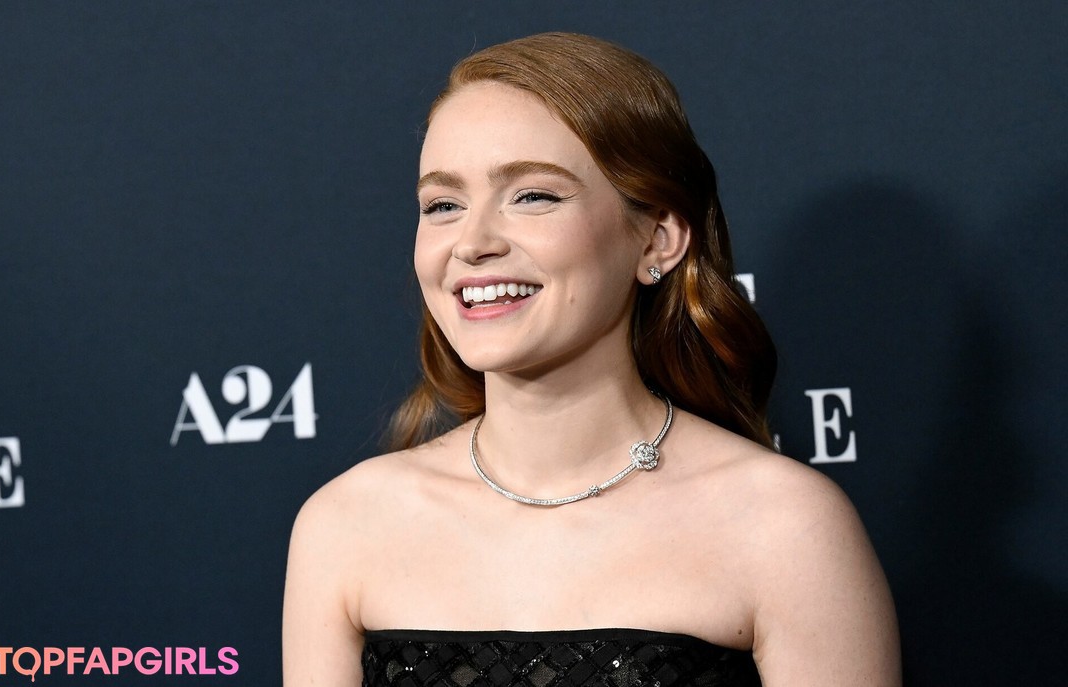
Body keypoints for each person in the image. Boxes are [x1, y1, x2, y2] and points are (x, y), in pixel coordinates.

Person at [283, 32, 900, 686]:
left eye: (533, 196)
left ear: (656, 239)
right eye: (443, 205)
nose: (471, 242)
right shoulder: (347, 526)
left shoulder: (784, 527)